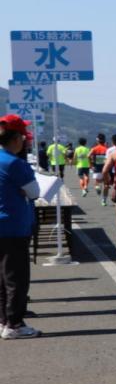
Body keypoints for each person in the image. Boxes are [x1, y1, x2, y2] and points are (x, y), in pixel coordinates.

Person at [0, 114, 41, 338]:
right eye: (24, 136)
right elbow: (35, 192)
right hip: (13, 226)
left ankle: (3, 320)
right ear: (16, 138)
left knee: (1, 278)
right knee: (16, 277)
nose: (25, 140)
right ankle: (15, 324)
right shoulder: (15, 163)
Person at [88, 133, 110, 205]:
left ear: (97, 141)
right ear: (104, 140)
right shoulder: (107, 149)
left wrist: (90, 165)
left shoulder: (94, 148)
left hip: (96, 168)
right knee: (106, 185)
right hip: (106, 169)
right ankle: (104, 200)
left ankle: (97, 187)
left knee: (97, 182)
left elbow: (88, 156)